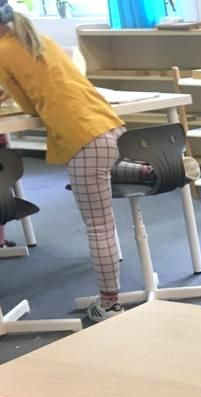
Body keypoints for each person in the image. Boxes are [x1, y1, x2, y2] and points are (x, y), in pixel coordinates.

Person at [0, 4, 138, 321]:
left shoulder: (1, 52)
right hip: (110, 127)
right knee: (105, 169)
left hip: (83, 137)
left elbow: (26, 104)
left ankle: (110, 303)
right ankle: (148, 168)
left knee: (99, 226)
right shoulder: (41, 39)